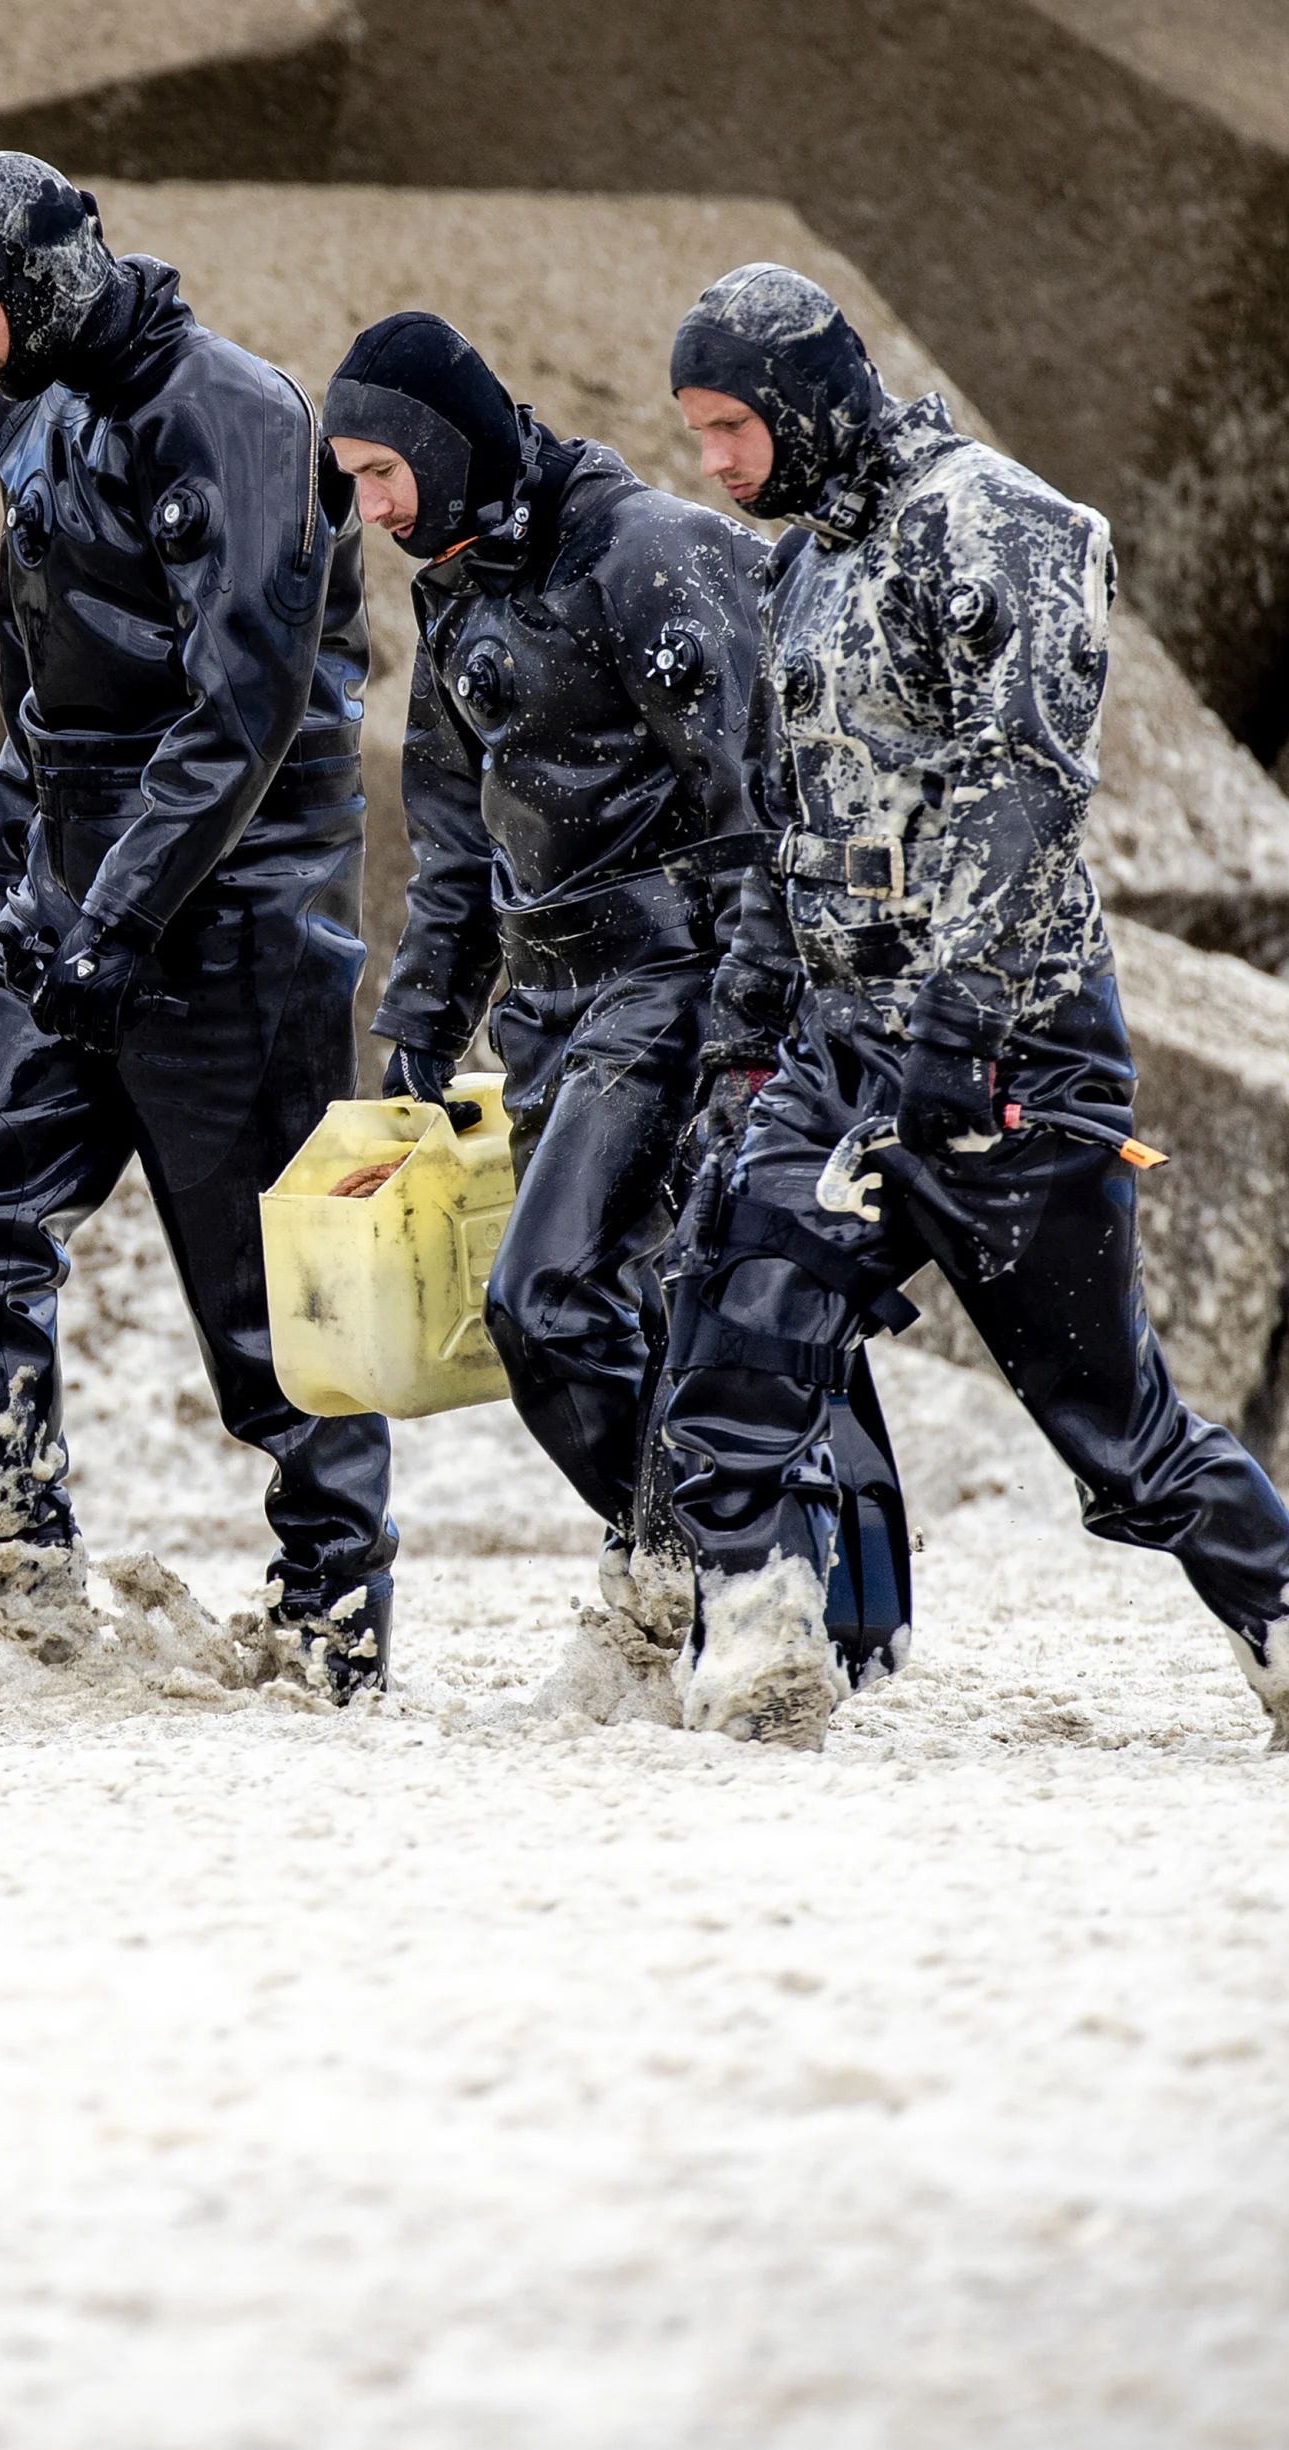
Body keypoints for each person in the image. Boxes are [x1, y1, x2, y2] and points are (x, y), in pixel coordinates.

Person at [658, 261, 1289, 1753]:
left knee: (1119, 1437)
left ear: (808, 402)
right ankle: (762, 1661)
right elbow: (786, 816)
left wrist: (957, 1030)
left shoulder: (995, 525)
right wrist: (749, 1033)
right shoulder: (802, 564)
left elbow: (1027, 787)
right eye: (697, 434)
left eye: (729, 429)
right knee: (735, 1327)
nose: (713, 465)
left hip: (1009, 1052)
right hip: (840, 1046)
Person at [0, 153, 395, 1696]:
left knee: (274, 1297)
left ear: (45, 280)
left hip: (237, 896)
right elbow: (32, 647)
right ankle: (14, 1565)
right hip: (78, 885)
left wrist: (127, 911)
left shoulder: (237, 412)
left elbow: (244, 701)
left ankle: (332, 1623)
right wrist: (27, 855)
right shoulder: (37, 403)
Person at [334, 312, 799, 1723]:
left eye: (379, 473)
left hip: (667, 986)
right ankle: (732, 1590)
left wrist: (747, 1030)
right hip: (547, 1004)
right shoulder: (457, 580)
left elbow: (750, 805)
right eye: (350, 480)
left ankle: (660, 1607)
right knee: (636, 1319)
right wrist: (422, 1023)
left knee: (544, 1301)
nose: (369, 508)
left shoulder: (644, 553)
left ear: (440, 446)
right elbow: (452, 823)